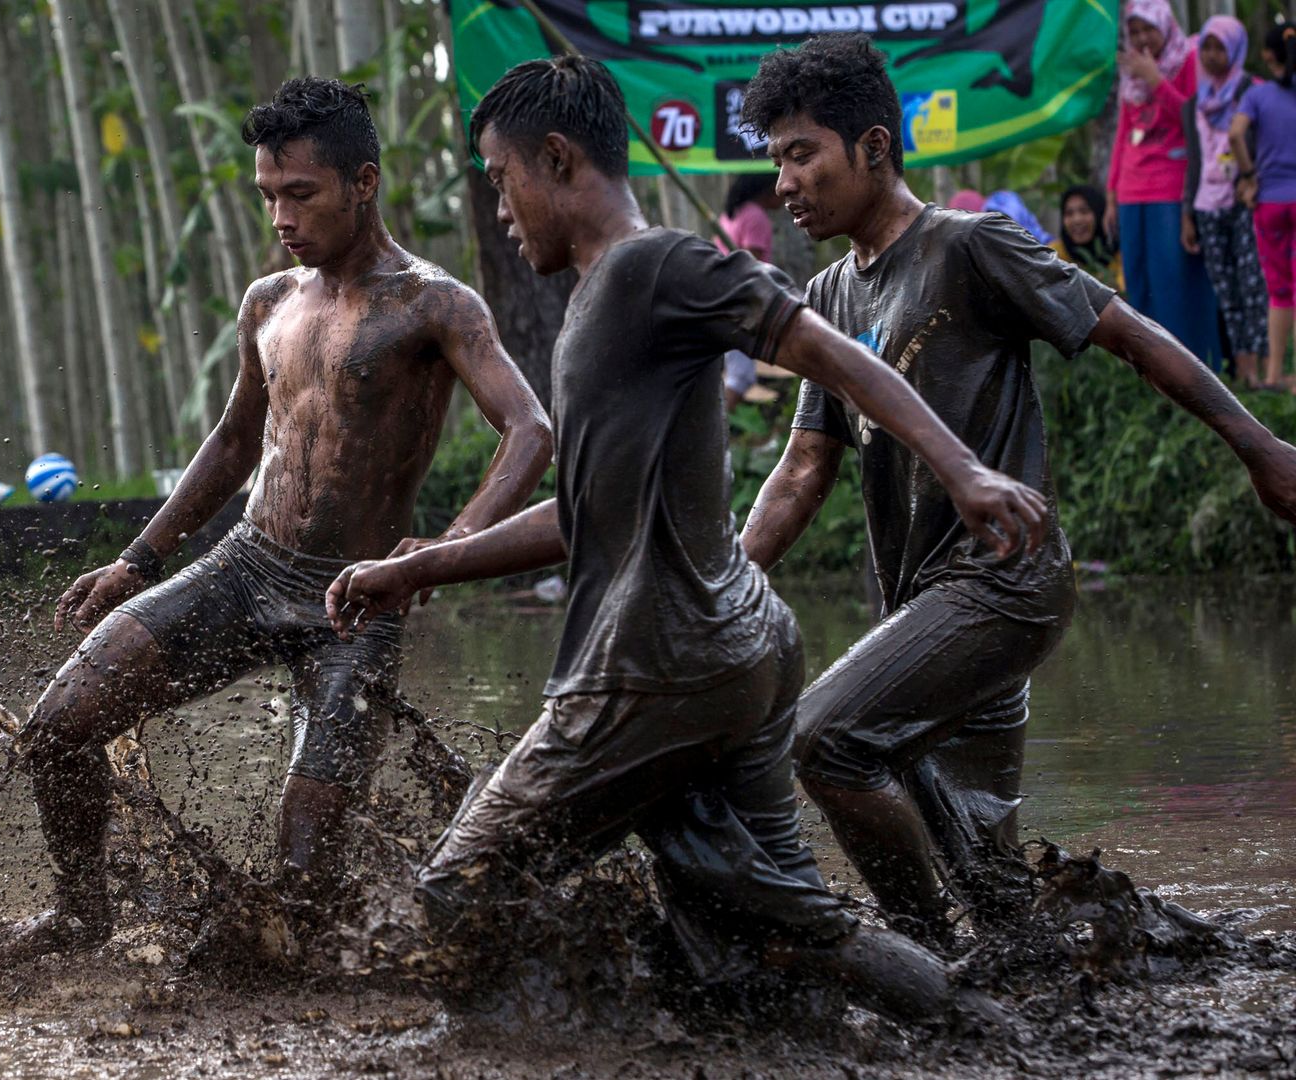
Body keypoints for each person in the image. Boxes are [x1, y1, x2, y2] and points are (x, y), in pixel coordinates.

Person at [325, 55, 1044, 1025]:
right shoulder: (602, 298)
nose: (499, 208)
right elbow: (585, 512)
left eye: (501, 180)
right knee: (765, 921)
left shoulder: (653, 263)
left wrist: (958, 467)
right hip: (734, 649)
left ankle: (545, 1050)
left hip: (654, 666)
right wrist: (423, 566)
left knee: (457, 889)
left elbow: (824, 349)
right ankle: (981, 1024)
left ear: (557, 156)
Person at [738, 33, 1296, 952]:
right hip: (918, 612)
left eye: (803, 153)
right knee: (1001, 900)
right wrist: (719, 585)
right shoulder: (830, 296)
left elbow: (1129, 333)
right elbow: (802, 469)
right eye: (777, 160)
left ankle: (924, 966)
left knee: (824, 741)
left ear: (874, 146)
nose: (786, 182)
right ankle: (1201, 954)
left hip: (1005, 583)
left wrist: (1261, 445)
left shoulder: (971, 244)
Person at [0, 78, 553, 959]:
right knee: (57, 729)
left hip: (353, 606)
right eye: (268, 196)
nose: (282, 217)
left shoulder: (435, 303)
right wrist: (136, 562)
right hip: (246, 569)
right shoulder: (270, 301)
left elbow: (530, 430)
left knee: (301, 901)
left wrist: (449, 549)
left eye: (302, 194)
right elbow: (230, 444)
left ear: (363, 183)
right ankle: (82, 912)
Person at [1110, 0, 1224, 369]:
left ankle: (1195, 374)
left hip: (1171, 188)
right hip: (1132, 189)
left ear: (1166, 25)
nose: (1142, 39)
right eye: (1135, 31)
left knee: (1176, 286)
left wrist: (1157, 80)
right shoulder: (1132, 73)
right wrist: (1113, 192)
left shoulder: (1188, 59)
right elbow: (1124, 133)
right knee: (1140, 288)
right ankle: (1149, 377)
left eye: (1149, 30)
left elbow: (1195, 121)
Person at [1186, 15, 1270, 387]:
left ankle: (1263, 368)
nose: (1212, 55)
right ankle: (1242, 368)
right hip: (1207, 206)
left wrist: (1254, 181)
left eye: (1221, 47)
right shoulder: (1194, 104)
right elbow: (1194, 160)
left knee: (1253, 284)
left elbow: (1267, 145)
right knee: (1226, 290)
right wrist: (1187, 212)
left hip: (1245, 202)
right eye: (1207, 46)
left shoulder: (1252, 92)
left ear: (1236, 49)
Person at [1232, 26, 1296, 390]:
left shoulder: (1257, 96)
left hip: (1269, 202)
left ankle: (1273, 374)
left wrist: (1249, 176)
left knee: (1279, 289)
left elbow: (1236, 133)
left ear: (1269, 56)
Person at [716, 173, 781, 408]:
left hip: (722, 296)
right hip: (740, 302)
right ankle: (718, 434)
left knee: (735, 372)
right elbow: (750, 268)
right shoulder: (755, 217)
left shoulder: (732, 213)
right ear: (765, 189)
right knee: (740, 376)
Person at [1056, 184, 1125, 291]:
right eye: (1069, 213)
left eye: (1084, 211)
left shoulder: (1122, 255)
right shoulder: (1055, 256)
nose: (1077, 220)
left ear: (1100, 214)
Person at [981, 191, 1053, 245]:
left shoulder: (1041, 242)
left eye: (1004, 219)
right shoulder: (983, 244)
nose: (997, 224)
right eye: (991, 219)